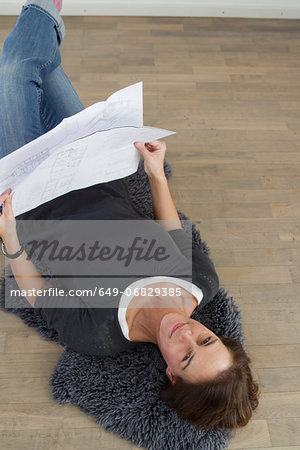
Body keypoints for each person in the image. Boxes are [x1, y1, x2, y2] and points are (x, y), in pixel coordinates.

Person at [0, 0, 259, 430]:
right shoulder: (202, 284)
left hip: (34, 199)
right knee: (43, 74)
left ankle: (44, 9)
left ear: (171, 374)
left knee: (15, 70)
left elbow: (41, 298)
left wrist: (10, 239)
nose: (187, 334)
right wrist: (157, 176)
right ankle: (45, 19)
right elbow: (173, 234)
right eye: (206, 337)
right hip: (99, 171)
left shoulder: (100, 335)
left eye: (188, 355)